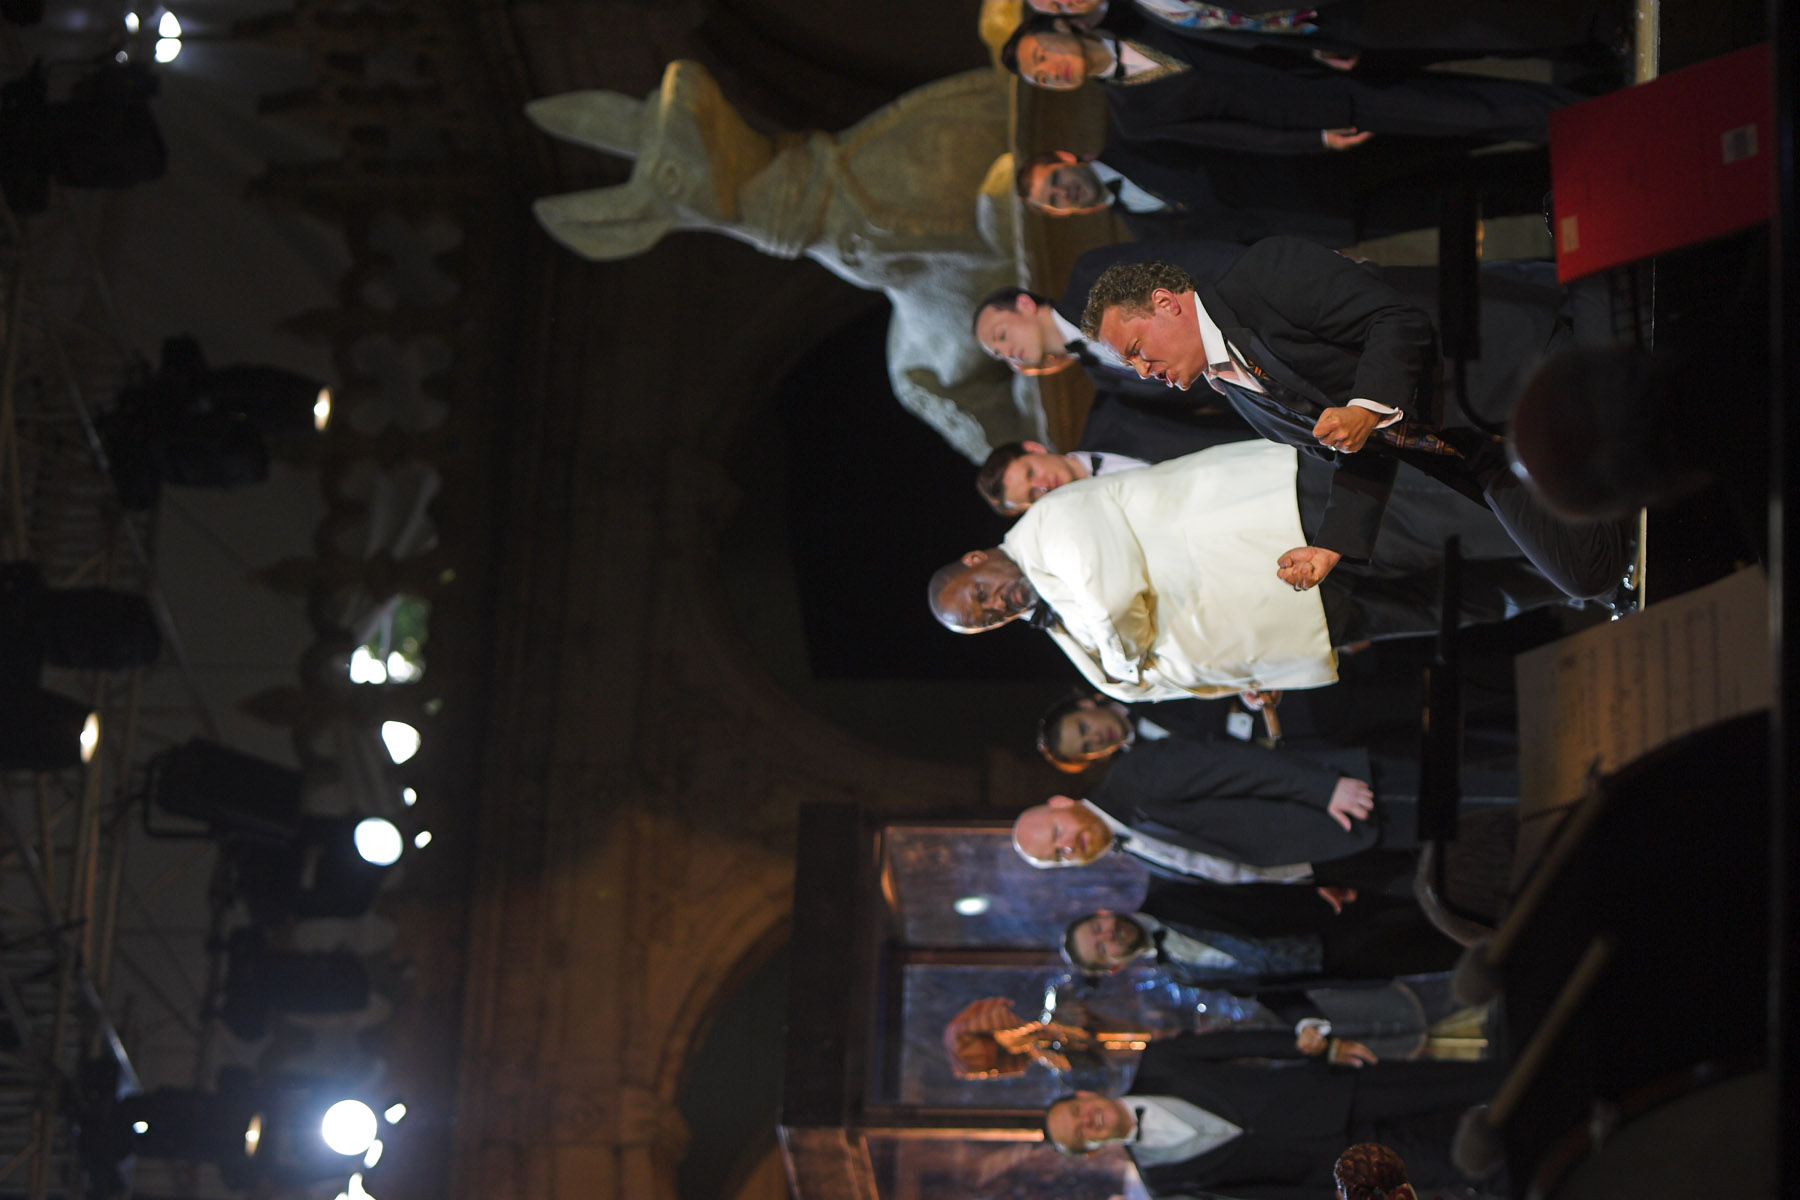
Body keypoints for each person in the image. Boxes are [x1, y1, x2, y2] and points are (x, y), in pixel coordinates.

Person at [1081, 244, 1631, 601]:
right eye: (1130, 367)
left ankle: (1608, 383)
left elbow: (1395, 321)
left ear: (1165, 303)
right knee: (1587, 574)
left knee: (1627, 443)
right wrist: (1332, 545)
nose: (1143, 371)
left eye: (1136, 350)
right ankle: (1602, 471)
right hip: (1479, 457)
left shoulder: (1263, 274)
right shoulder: (1240, 398)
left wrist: (1366, 407)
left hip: (1508, 378)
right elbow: (1358, 450)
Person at [928, 442, 1584, 704]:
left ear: (978, 559)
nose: (997, 606)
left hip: (1280, 525)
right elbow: (1138, 694)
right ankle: (1594, 575)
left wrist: (1129, 657)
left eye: (981, 594)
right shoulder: (1055, 625)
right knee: (1468, 598)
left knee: (1459, 528)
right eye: (987, 619)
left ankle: (1589, 506)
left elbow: (1117, 599)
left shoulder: (1045, 525)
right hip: (1296, 622)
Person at [1000, 14, 1578, 154]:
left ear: (1060, 27)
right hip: (1320, 104)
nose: (1051, 70)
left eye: (1042, 54)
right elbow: (1232, 136)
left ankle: (1589, 36)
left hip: (1325, 41)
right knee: (1478, 110)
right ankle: (1590, 116)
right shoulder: (1135, 117)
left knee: (1471, 33)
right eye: (1040, 77)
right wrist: (1315, 140)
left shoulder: (1142, 15)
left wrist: (1315, 41)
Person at [1042, 1034, 1497, 1200]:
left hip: (1333, 1093)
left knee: (1467, 1086)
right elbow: (1259, 1194)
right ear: (1092, 1150)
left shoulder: (1159, 1061)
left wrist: (1321, 1047)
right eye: (1082, 1134)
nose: (1089, 1121)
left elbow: (1241, 1043)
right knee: (1465, 1166)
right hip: (1340, 1166)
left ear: (1086, 1095)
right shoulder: (1164, 1183)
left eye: (1079, 1112)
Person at [1017, 142, 1552, 249]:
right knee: (1462, 201)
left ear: (1065, 157)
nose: (1064, 193)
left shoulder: (1136, 135)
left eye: (1055, 181)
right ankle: (1554, 190)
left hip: (1322, 162)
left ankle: (1563, 142)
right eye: (1054, 201)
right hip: (1326, 223)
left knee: (1453, 149)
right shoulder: (1144, 234)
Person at [1023, 0, 1624, 65]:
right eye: (1051, 5)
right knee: (1464, 29)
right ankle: (1585, 34)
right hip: (1326, 23)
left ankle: (1598, 16)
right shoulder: (1147, 15)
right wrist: (1314, 44)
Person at [974, 397, 1250, 515]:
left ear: (1034, 448)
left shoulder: (1113, 410)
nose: (1043, 486)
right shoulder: (1100, 518)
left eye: (1031, 473)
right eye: (1033, 495)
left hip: (1253, 445)